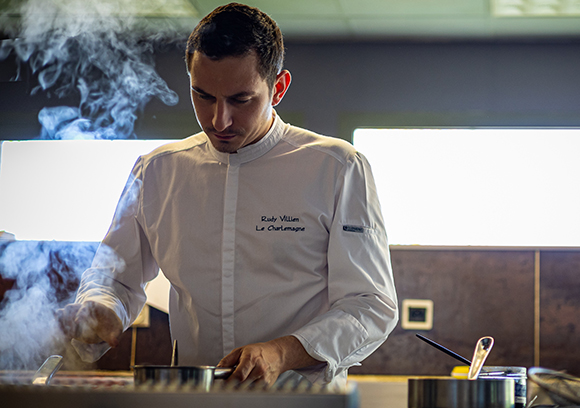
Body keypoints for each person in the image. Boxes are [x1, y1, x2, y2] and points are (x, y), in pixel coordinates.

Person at [57, 3, 398, 388]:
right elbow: (116, 279)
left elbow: (371, 306)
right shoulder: (157, 171)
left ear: (278, 88)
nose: (219, 120)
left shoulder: (337, 167)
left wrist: (281, 353)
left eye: (240, 99)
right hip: (194, 403)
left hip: (299, 405)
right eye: (203, 96)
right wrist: (101, 308)